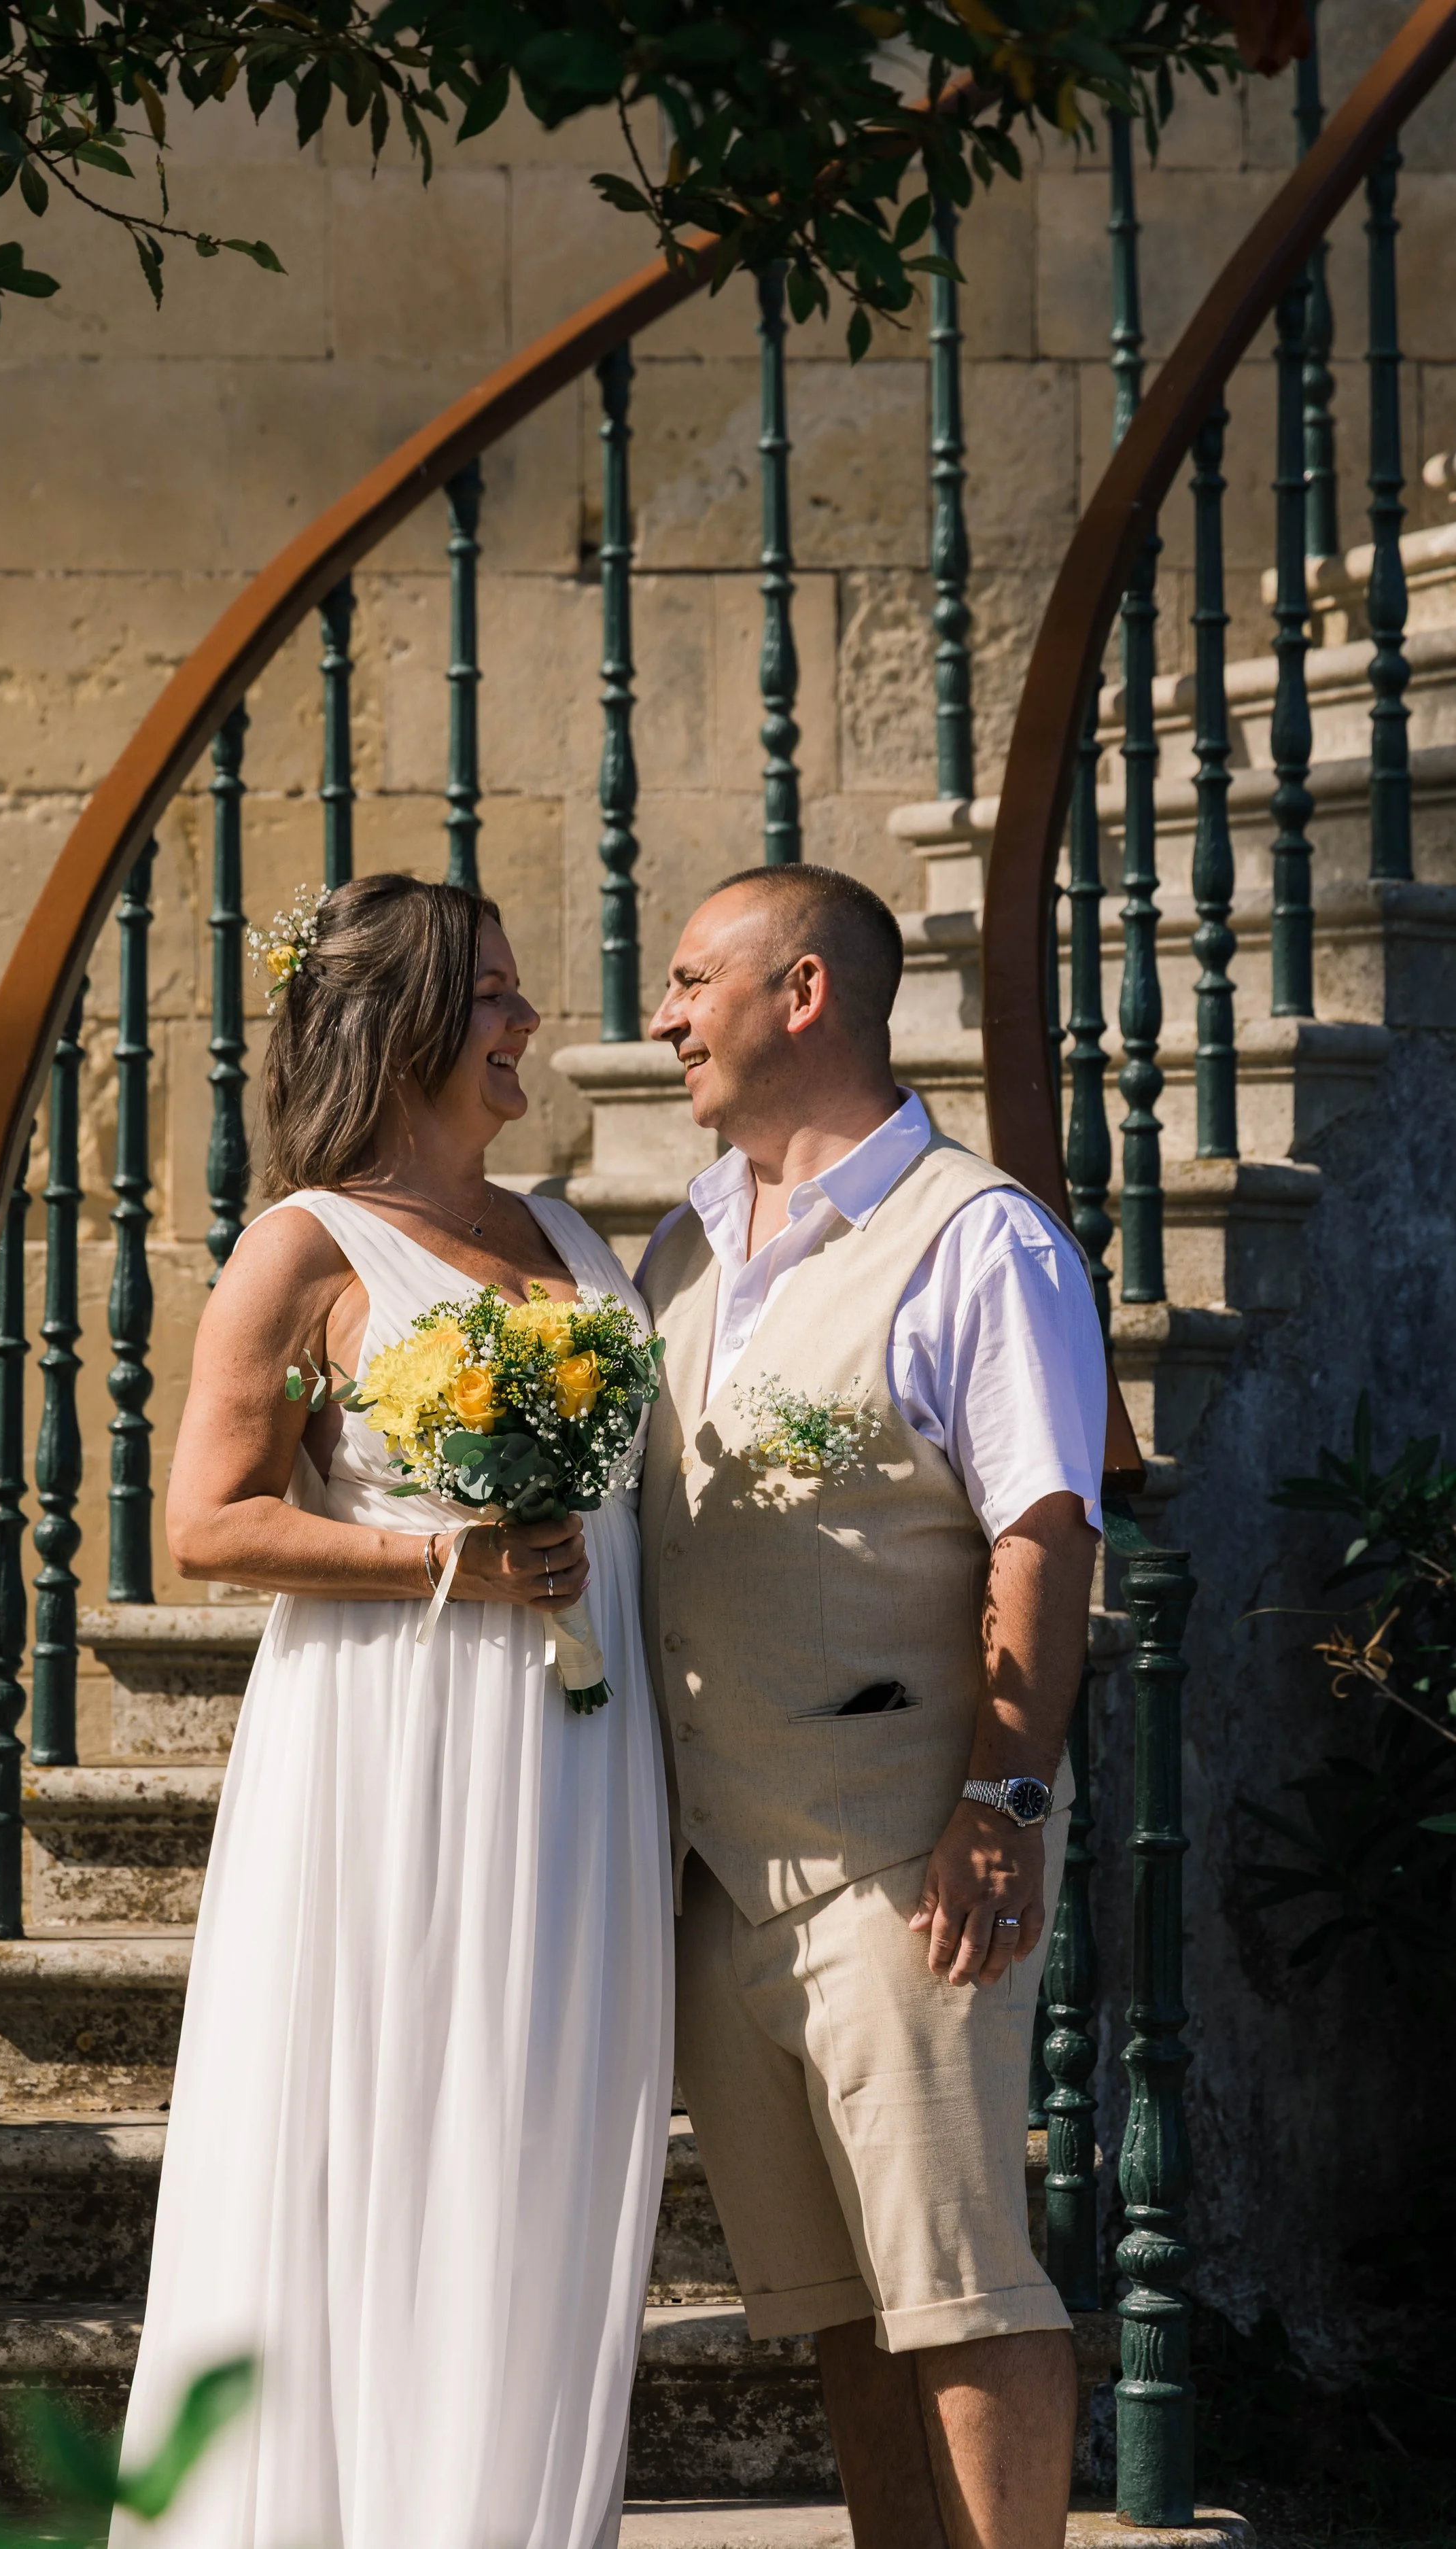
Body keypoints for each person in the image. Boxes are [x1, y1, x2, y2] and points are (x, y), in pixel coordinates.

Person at [111, 874, 672, 2549]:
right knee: (387, 2114)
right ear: (408, 1025)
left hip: (577, 1755)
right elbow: (205, 1525)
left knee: (545, 2129)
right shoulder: (301, 1246)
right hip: (397, 1747)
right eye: (493, 997)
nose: (524, 1027)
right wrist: (455, 1565)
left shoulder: (570, 1232)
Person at [638, 863, 1106, 2549]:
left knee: (963, 2289)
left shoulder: (977, 1238)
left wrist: (1002, 1805)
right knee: (835, 2304)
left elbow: (1043, 1533)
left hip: (902, 1862)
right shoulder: (681, 1239)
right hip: (718, 1870)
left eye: (694, 981)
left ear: (805, 993)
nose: (663, 1015)